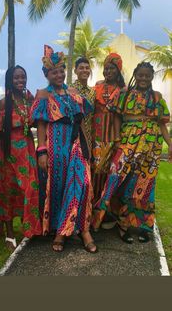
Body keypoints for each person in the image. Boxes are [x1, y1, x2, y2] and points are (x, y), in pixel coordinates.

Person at [92, 61, 172, 243]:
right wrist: (119, 139)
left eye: (147, 76)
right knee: (118, 179)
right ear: (135, 75)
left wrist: (170, 144)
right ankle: (120, 223)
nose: (143, 78)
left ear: (151, 77)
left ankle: (143, 226)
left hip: (151, 146)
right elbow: (117, 118)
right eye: (141, 75)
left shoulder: (158, 98)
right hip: (128, 143)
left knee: (145, 185)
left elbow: (162, 124)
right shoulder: (125, 94)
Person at [30, 45, 97, 253]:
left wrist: (88, 148)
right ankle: (62, 229)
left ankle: (83, 230)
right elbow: (41, 124)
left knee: (81, 183)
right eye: (53, 72)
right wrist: (41, 151)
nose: (58, 75)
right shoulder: (43, 94)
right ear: (47, 74)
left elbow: (81, 119)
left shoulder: (74, 92)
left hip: (75, 144)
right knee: (58, 188)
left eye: (61, 71)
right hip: (54, 146)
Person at [0, 66, 42, 250]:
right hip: (8, 151)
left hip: (27, 149)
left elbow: (36, 122)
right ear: (9, 80)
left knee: (30, 188)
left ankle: (28, 227)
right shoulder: (5, 103)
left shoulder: (29, 100)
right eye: (16, 78)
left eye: (23, 77)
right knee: (8, 191)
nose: (20, 80)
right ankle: (10, 233)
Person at [92, 53, 125, 208]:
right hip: (96, 136)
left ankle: (105, 210)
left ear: (118, 70)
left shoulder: (123, 90)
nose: (109, 71)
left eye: (112, 68)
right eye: (106, 68)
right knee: (96, 171)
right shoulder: (97, 87)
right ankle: (92, 207)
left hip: (114, 137)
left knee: (110, 173)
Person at [72, 57, 95, 153]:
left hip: (90, 136)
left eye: (87, 68)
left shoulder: (93, 92)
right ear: (75, 71)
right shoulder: (70, 90)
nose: (85, 70)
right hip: (74, 136)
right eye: (81, 68)